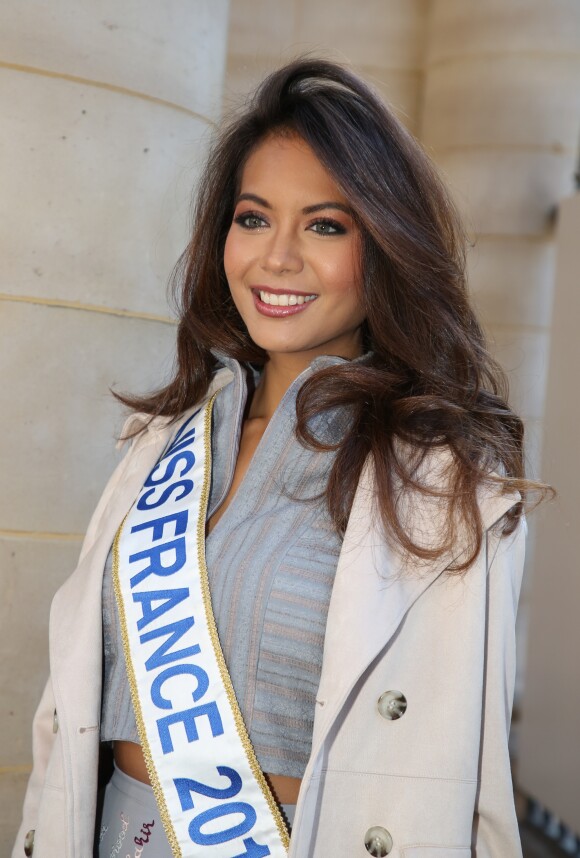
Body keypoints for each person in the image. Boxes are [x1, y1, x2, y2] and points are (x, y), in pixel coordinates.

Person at [14, 57, 542, 858]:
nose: (277, 259)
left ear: (388, 247)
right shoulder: (158, 451)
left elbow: (472, 782)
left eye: (326, 225)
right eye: (253, 218)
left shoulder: (446, 483)